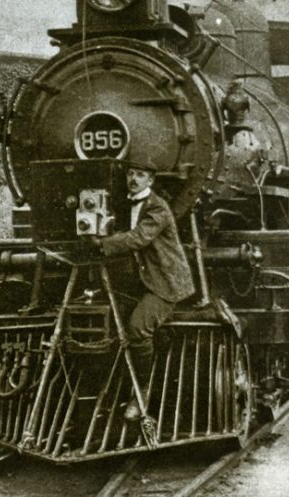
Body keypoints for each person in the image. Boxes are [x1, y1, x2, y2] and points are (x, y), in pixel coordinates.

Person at [91, 157, 195, 415]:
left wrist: (103, 244)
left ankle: (143, 392)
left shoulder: (157, 208)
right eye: (131, 174)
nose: (133, 179)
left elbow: (139, 238)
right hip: (139, 281)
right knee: (111, 323)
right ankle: (113, 391)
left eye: (140, 175)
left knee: (138, 328)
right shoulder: (124, 204)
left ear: (151, 180)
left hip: (165, 283)